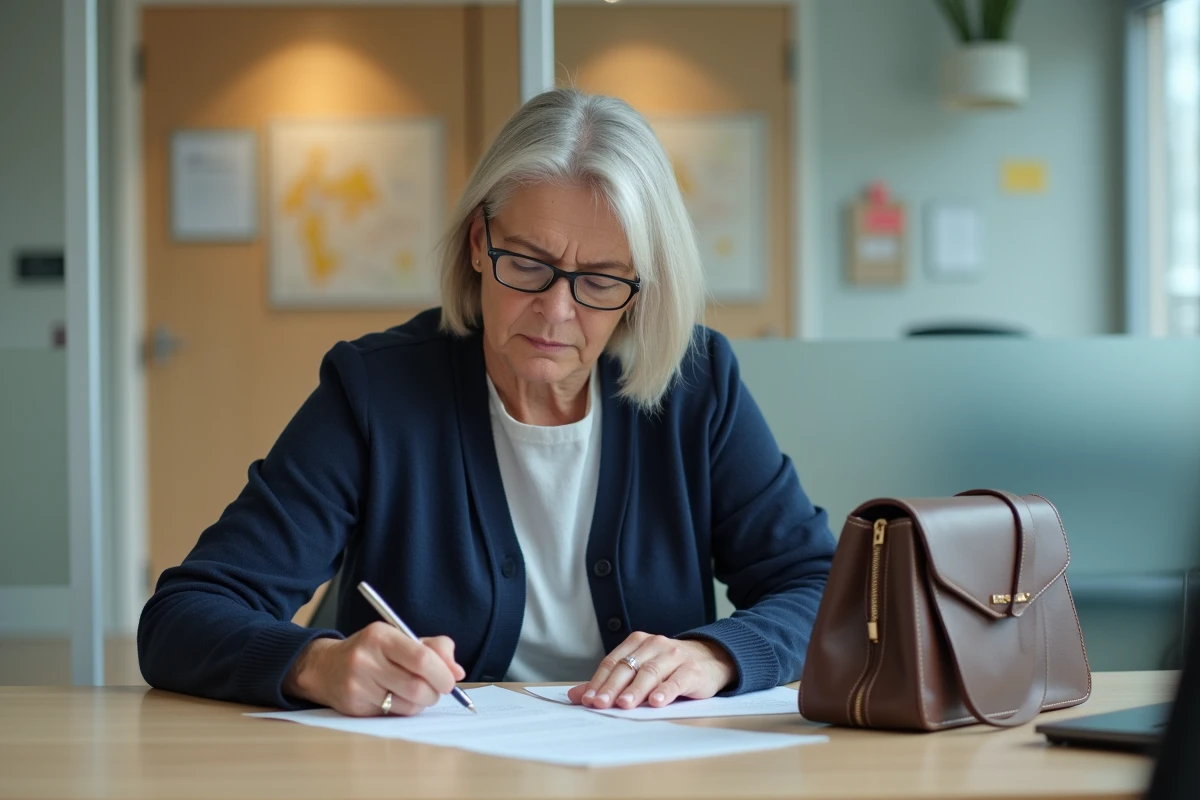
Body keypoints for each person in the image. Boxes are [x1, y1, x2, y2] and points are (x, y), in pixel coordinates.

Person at [138, 88, 836, 718]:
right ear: (479, 242)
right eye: (528, 264)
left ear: (642, 287)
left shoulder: (696, 384)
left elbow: (822, 586)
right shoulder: (375, 391)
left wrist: (719, 654)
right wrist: (315, 665)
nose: (557, 311)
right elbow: (182, 616)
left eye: (599, 280)